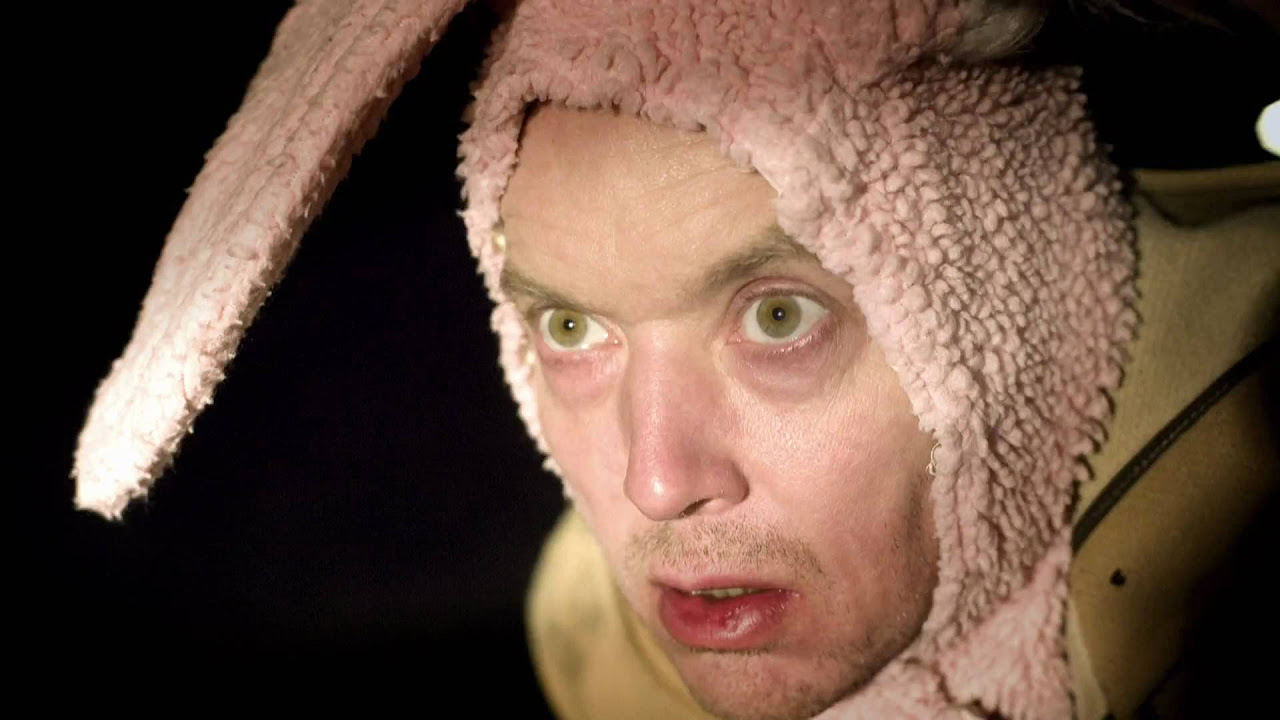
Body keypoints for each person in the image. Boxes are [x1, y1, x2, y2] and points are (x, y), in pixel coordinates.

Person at [71, 1, 1277, 718]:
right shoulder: (589, 652)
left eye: (777, 319)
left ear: (1007, 294)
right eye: (570, 331)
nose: (654, 482)